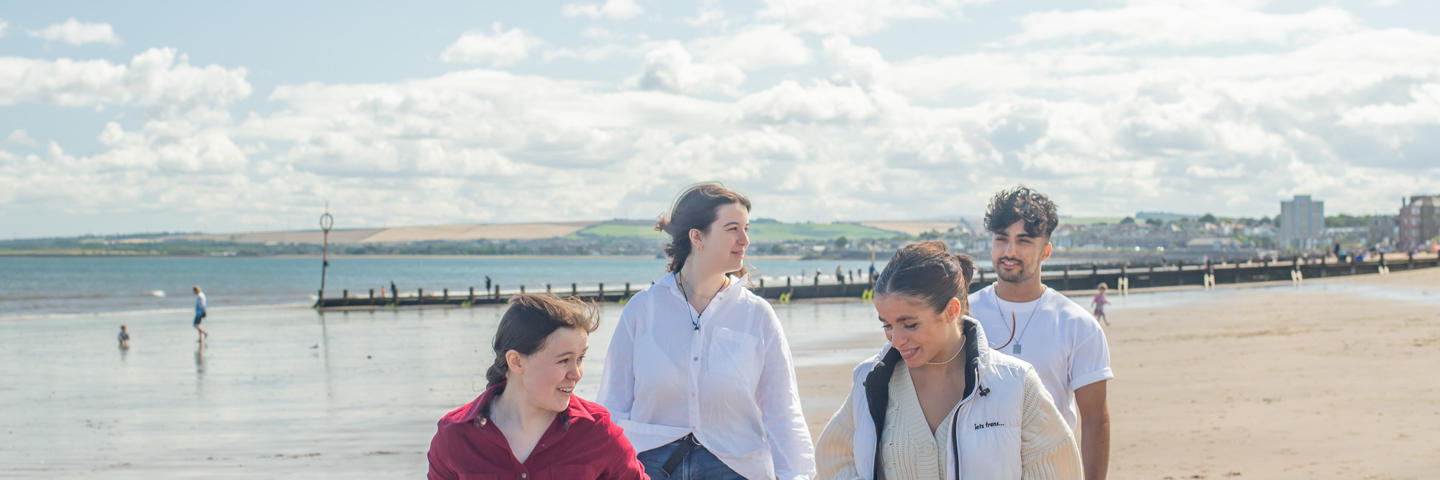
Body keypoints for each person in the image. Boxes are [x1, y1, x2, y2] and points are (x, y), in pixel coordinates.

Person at [599, 182, 815, 480]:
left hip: (736, 467)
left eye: (746, 228)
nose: (745, 240)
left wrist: (796, 476)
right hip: (650, 467)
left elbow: (782, 409)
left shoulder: (757, 315)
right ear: (697, 237)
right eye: (732, 229)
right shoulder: (642, 310)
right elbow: (614, 404)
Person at [815, 241, 1081, 479]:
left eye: (909, 324)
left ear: (952, 310)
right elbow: (834, 459)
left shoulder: (1016, 384)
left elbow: (1057, 469)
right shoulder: (869, 380)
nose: (895, 340)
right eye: (887, 325)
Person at [967, 186, 1113, 480]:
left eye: (1023, 241)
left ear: (1045, 250)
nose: (1009, 251)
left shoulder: (1077, 324)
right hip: (975, 467)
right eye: (1001, 239)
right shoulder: (964, 317)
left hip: (1050, 468)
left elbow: (1095, 417)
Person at [427, 295, 647, 479]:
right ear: (516, 362)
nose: (576, 373)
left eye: (580, 359)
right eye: (563, 360)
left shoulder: (598, 432)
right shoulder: (455, 436)